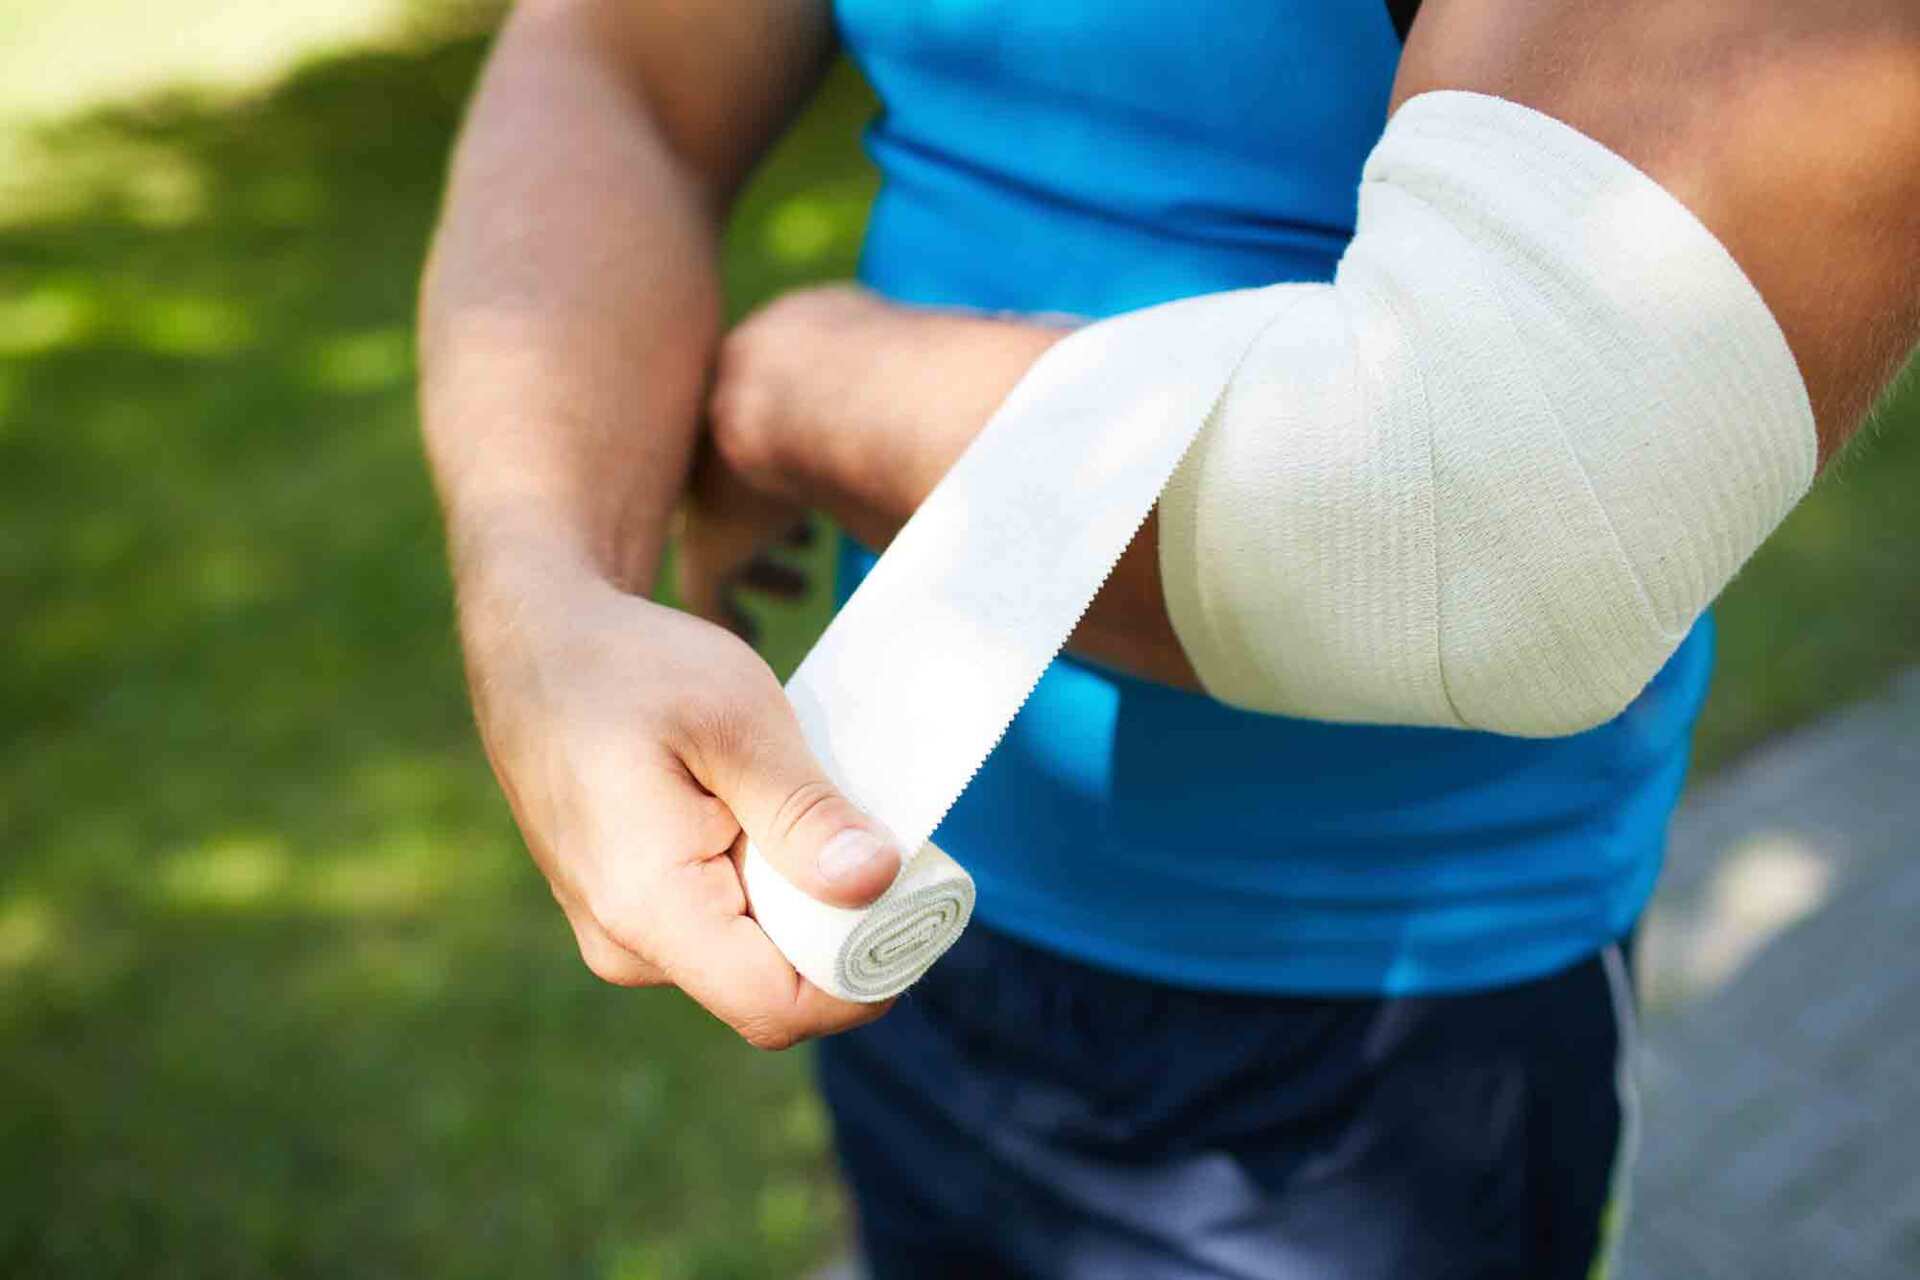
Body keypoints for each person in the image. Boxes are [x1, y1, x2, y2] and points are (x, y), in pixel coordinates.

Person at [417, 0, 1920, 1274]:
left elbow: (1489, 519)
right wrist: (543, 593)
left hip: (1381, 1019)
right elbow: (620, 68)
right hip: (896, 859)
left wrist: (792, 393)